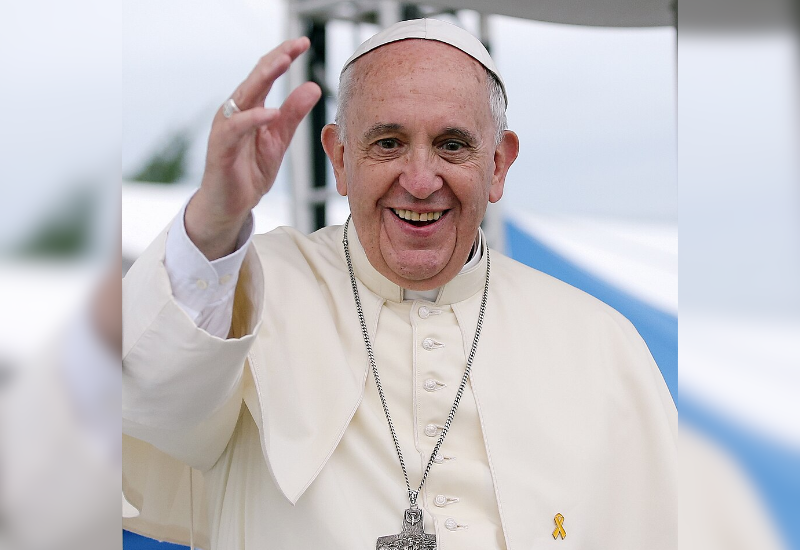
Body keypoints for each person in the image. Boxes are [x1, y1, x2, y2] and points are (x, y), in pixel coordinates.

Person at [123, 19, 676, 550]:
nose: (418, 180)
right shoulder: (247, 290)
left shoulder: (600, 344)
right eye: (387, 143)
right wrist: (214, 223)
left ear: (499, 164)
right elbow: (152, 397)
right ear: (339, 158)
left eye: (452, 145)